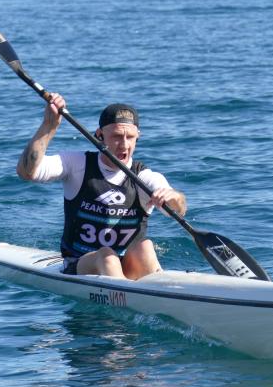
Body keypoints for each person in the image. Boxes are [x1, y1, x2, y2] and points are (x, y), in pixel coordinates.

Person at [16, 93, 187, 280]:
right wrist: (49, 126)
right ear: (99, 136)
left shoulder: (144, 177)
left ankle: (158, 291)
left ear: (138, 136)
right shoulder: (76, 164)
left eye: (130, 137)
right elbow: (27, 173)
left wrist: (173, 198)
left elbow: (178, 209)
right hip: (81, 263)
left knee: (145, 247)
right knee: (107, 256)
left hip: (127, 265)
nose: (124, 145)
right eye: (116, 136)